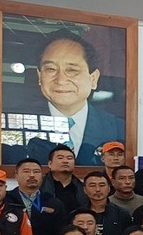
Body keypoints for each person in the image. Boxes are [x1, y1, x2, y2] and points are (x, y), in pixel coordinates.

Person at [15, 30, 122, 166]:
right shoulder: (19, 123)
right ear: (40, 77)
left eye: (72, 70)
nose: (61, 80)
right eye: (51, 69)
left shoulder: (118, 128)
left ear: (93, 78)